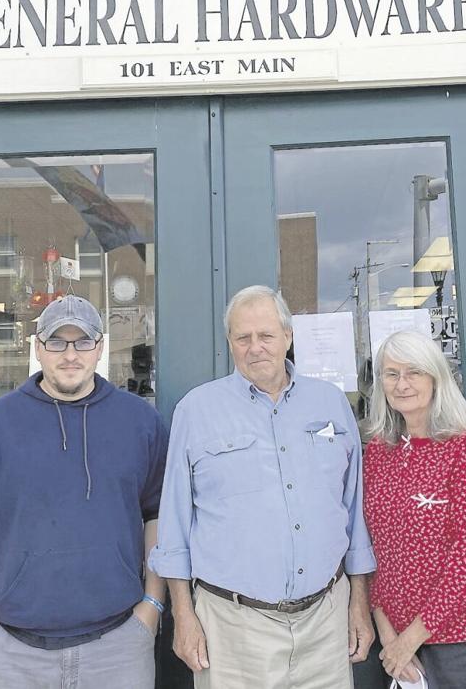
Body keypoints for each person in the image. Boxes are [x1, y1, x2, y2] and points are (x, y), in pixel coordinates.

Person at [149, 285, 376, 688]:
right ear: (230, 343)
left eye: (266, 335)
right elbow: (173, 527)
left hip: (325, 621)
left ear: (288, 337)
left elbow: (353, 512)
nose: (255, 347)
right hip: (232, 629)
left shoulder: (331, 404)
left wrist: (359, 603)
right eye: (243, 337)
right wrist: (183, 616)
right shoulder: (196, 411)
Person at [0, 295, 169, 688]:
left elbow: (159, 514)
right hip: (13, 653)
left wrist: (150, 608)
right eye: (56, 342)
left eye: (82, 341)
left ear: (99, 347)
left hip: (118, 649)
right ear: (37, 348)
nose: (70, 354)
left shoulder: (140, 423)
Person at [362, 330, 466, 688]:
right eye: (391, 374)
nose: (402, 384)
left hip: (465, 642)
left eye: (413, 372)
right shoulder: (378, 452)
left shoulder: (464, 448)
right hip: (398, 644)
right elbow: (370, 545)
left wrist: (411, 637)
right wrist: (388, 634)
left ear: (435, 378)